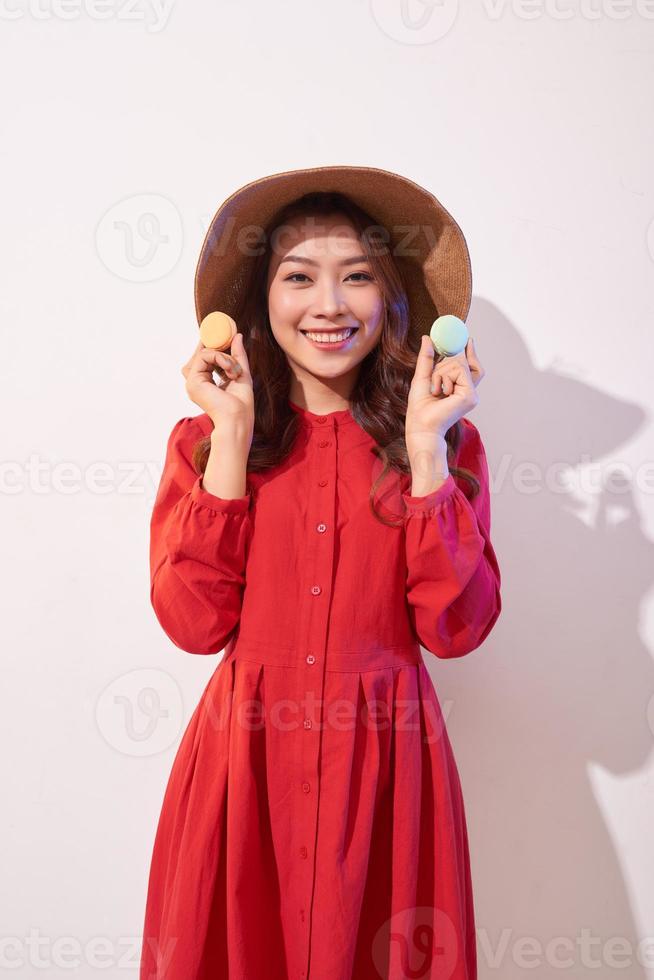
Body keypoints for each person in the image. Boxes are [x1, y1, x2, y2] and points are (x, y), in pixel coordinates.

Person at [139, 166, 502, 980]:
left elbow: (457, 628)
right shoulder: (202, 441)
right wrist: (230, 438)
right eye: (299, 277)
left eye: (358, 277)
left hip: (388, 776)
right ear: (261, 299)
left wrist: (423, 456)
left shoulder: (444, 448)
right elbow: (192, 625)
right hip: (243, 774)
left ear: (394, 297)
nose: (329, 305)